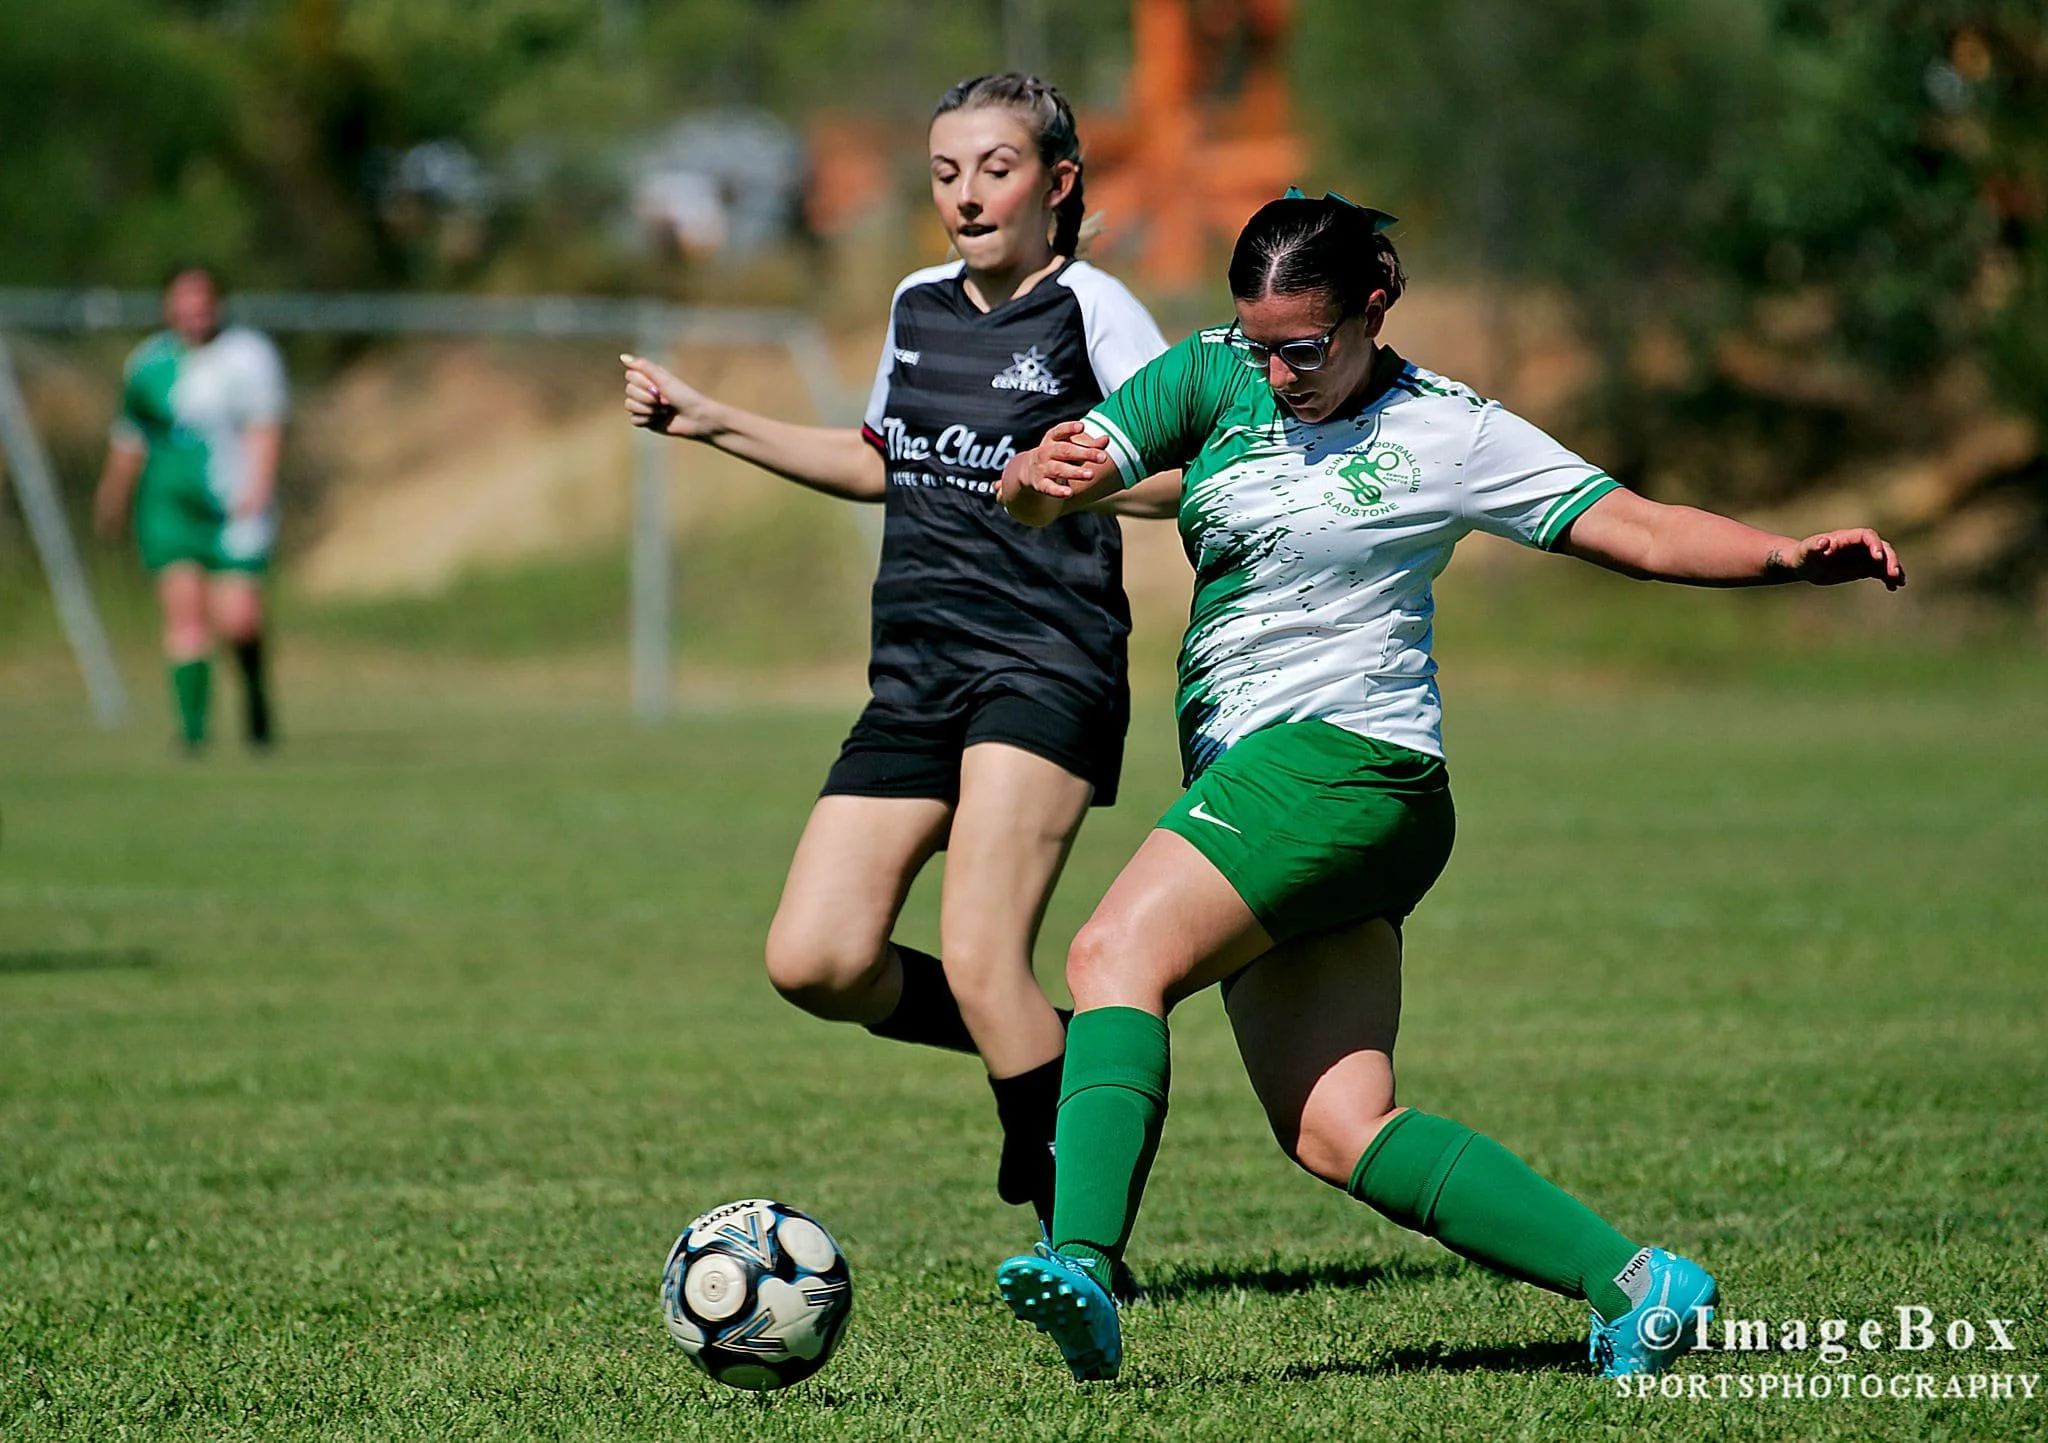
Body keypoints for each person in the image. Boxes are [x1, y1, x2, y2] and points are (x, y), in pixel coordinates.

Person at [990, 190, 1906, 1381]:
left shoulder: (1448, 431)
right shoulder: (1207, 373)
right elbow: (1048, 491)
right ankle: (1640, 1285)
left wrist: (1781, 556)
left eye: (1303, 348)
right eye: (1257, 343)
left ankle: (1083, 1264)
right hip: (1286, 789)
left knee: (1112, 957)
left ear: (1374, 306)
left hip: (1345, 763)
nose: (1275, 373)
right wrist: (1030, 476)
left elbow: (1634, 528)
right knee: (1334, 1130)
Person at [622, 74, 1180, 1250]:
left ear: (1057, 184)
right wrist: (710, 419)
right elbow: (885, 458)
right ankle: (1068, 1057)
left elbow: (1193, 469)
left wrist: (1076, 476)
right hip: (914, 670)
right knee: (815, 958)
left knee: (984, 956)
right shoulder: (916, 303)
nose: (966, 196)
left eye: (995, 168)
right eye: (944, 172)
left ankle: (1077, 1253)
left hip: (1044, 662)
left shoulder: (1095, 309)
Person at [94, 265, 286, 752]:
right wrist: (112, 498)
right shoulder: (148, 364)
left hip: (232, 504)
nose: (194, 311)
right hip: (168, 505)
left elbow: (265, 427)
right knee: (185, 614)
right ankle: (193, 733)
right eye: (184, 301)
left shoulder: (248, 355)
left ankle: (256, 696)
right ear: (169, 307)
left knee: (240, 618)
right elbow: (130, 439)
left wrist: (258, 490)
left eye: (203, 301)